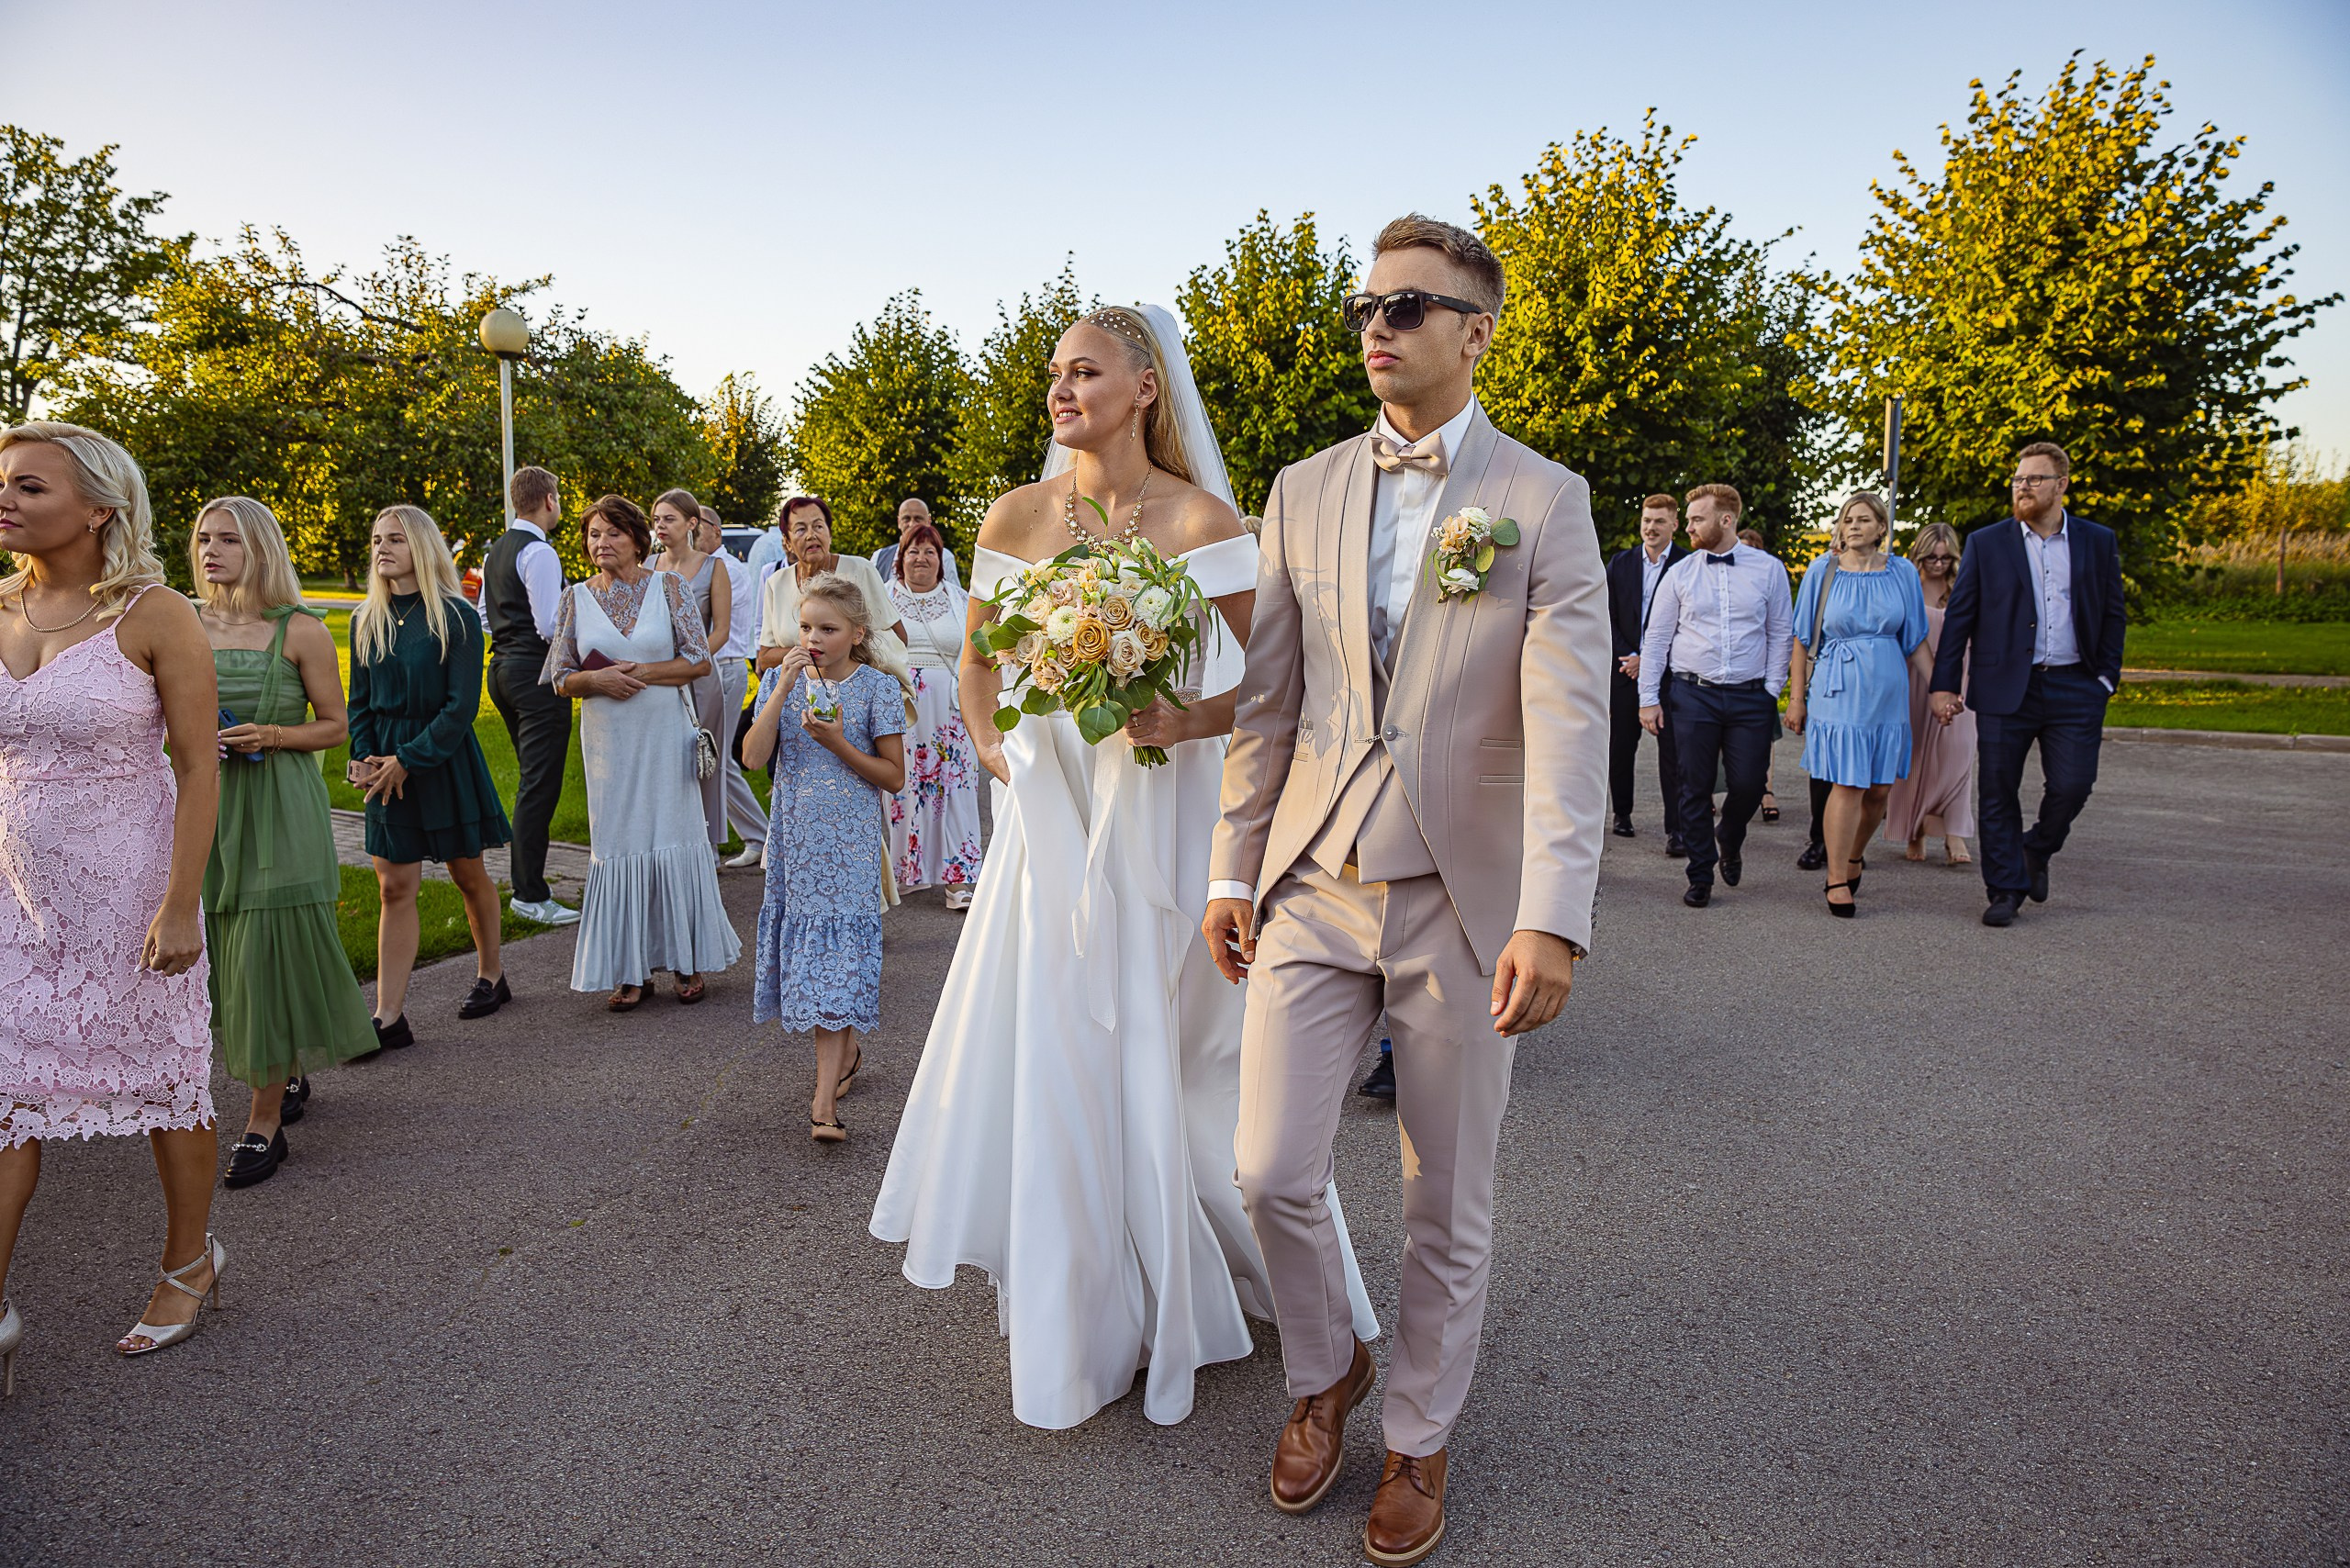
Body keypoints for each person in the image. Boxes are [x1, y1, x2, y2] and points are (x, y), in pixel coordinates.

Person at [872, 303, 1380, 1434]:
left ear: (1146, 387)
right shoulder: (1014, 514)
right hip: (1048, 820)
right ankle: (1088, 1319)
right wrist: (998, 753)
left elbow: (1276, 681)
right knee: (1063, 1049)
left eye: (1086, 371)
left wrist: (1182, 718)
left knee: (1186, 1060)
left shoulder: (1202, 518)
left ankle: (1253, 1284)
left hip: (1165, 819)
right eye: (1054, 373)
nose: (1061, 390)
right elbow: (979, 668)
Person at [1203, 215, 1610, 1566]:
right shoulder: (1302, 487)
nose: (1378, 326)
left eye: (1410, 306)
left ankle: (1419, 1436)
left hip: (1465, 895)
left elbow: (1570, 728)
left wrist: (1551, 914)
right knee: (1269, 1166)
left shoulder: (1542, 499)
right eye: (1367, 305)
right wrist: (1233, 865)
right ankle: (1326, 1367)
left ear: (1476, 332)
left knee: (1446, 1195)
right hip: (1313, 878)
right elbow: (1269, 703)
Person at [0, 421, 224, 1371]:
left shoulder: (154, 613)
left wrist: (180, 903)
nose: (6, 498)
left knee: (165, 1083)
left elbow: (199, 765)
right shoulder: (0, 606)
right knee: (7, 1095)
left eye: (31, 486)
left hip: (131, 895)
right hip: (18, 902)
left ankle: (189, 1262)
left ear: (98, 508)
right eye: (4, 482)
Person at [191, 498, 375, 1188]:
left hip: (278, 807)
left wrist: (270, 734)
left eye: (228, 540)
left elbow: (335, 726)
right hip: (204, 807)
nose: (211, 551)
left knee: (263, 956)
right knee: (225, 952)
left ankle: (262, 1122)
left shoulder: (300, 629)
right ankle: (286, 1070)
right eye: (203, 539)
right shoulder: (181, 622)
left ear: (260, 549)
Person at [543, 495, 741, 1006]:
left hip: (665, 735)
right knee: (620, 843)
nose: (601, 542)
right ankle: (629, 970)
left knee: (674, 835)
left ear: (637, 539)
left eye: (613, 533)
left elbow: (699, 661)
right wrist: (597, 680)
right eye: (593, 534)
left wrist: (639, 673)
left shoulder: (669, 587)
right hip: (609, 746)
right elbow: (560, 678)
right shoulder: (574, 598)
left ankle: (686, 960)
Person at [1930, 442, 2125, 927]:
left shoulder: (2097, 541)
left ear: (2061, 485)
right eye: (2018, 479)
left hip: (2077, 685)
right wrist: (1944, 684)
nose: (2023, 486)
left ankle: (2035, 849)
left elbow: (2113, 612)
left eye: (2035, 479)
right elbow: (1960, 619)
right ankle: (2004, 889)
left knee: (2073, 785)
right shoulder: (1988, 543)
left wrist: (2105, 678)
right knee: (1997, 790)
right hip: (2004, 686)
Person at [743, 573, 908, 1142]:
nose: (813, 638)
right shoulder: (779, 680)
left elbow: (894, 776)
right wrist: (781, 689)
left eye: (828, 629)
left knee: (836, 963)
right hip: (796, 846)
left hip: (849, 847)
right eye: (806, 627)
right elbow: (753, 758)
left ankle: (823, 1104)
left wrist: (838, 742)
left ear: (857, 633)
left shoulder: (877, 688)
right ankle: (846, 1053)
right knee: (819, 967)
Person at [346, 506, 514, 1045]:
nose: (382, 548)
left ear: (421, 546)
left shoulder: (456, 616)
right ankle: (388, 1016)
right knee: (394, 886)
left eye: (395, 539)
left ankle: (492, 975)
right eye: (377, 539)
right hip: (385, 769)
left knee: (468, 873)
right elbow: (359, 703)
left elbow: (460, 707)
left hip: (443, 761)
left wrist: (408, 760)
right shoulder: (365, 619)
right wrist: (365, 758)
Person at [1639, 484, 1794, 909]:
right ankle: (1700, 873)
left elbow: (1781, 633)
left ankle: (1731, 834)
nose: (1687, 526)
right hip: (1693, 694)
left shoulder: (1769, 570)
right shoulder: (1680, 573)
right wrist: (1648, 698)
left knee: (1749, 784)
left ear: (1726, 520)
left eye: (1696, 519)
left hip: (1750, 697)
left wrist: (1771, 690)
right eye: (1688, 519)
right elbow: (1657, 639)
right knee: (1694, 785)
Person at [1785, 493, 1931, 917]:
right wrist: (1796, 700)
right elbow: (1802, 640)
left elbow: (1916, 639)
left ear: (1882, 527)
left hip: (1888, 693)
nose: (1853, 526)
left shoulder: (1902, 572)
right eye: (1847, 519)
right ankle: (1836, 878)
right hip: (1838, 691)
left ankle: (1854, 855)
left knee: (1880, 789)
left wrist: (1941, 690)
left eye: (1863, 520)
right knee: (1848, 783)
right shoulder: (1823, 569)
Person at [482, 466, 577, 926]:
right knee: (539, 786)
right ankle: (529, 894)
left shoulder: (496, 551)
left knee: (531, 783)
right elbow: (547, 625)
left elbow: (485, 616)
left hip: (500, 670)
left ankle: (527, 887)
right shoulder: (539, 551)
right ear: (549, 500)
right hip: (535, 676)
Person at [883, 520, 983, 908]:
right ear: (901, 558)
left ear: (941, 560)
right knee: (905, 790)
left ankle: (958, 880)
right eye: (914, 551)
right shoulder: (884, 598)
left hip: (951, 713)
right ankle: (909, 873)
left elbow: (978, 652)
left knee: (956, 788)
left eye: (930, 551)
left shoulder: (960, 599)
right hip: (901, 710)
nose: (921, 558)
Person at [647, 487, 739, 853]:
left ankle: (706, 845)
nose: (660, 526)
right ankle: (668, 841)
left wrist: (690, 663)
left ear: (691, 523)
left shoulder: (714, 567)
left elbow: (722, 630)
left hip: (700, 679)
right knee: (662, 762)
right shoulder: (647, 567)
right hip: (656, 678)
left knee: (703, 760)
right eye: (656, 520)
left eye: (669, 519)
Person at [1886, 522, 1975, 865]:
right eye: (1931, 557)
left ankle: (1955, 833)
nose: (1938, 564)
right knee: (1916, 756)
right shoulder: (1906, 587)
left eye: (1945, 558)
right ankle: (1915, 830)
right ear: (1919, 555)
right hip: (1913, 678)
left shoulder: (1963, 589)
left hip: (1959, 679)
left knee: (1958, 754)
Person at [1606, 495, 1689, 851]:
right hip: (1625, 670)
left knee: (1673, 754)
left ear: (1674, 524)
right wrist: (1631, 656)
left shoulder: (1688, 564)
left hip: (1670, 675)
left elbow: (1691, 623)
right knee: (1621, 748)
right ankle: (1622, 814)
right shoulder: (1620, 564)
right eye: (1646, 520)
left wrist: (1652, 660)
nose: (1651, 527)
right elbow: (1605, 615)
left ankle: (1677, 830)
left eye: (1659, 521)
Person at [756, 497, 907, 678]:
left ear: (830, 534)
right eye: (800, 529)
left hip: (859, 688)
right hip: (797, 689)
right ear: (787, 542)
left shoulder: (861, 569)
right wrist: (812, 652)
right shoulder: (776, 582)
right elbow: (765, 658)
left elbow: (899, 636)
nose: (811, 535)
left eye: (818, 526)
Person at [698, 506, 772, 868]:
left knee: (717, 759)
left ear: (716, 530)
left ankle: (757, 837)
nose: (692, 534)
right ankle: (744, 839)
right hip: (697, 674)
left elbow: (712, 626)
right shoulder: (693, 568)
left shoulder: (730, 570)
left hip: (725, 669)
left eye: (698, 527)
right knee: (703, 759)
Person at [870, 496, 963, 589]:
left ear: (928, 521)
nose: (912, 524)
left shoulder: (945, 556)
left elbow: (954, 593)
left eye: (918, 519)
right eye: (906, 519)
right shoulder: (879, 556)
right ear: (899, 522)